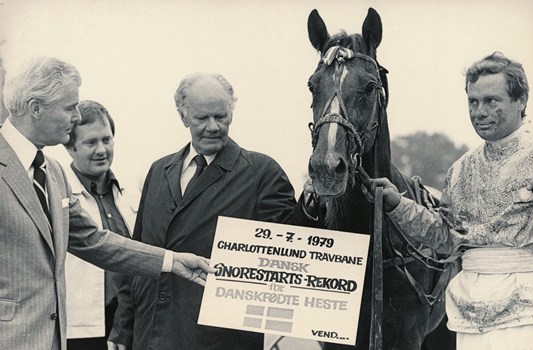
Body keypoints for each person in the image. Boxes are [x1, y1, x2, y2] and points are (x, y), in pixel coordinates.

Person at [0, 56, 215, 350]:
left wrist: (172, 261)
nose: (76, 117)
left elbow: (93, 240)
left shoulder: (53, 173)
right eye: (69, 108)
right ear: (36, 108)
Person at [108, 72, 318, 350]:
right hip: (150, 335)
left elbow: (292, 249)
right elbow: (138, 257)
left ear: (232, 113)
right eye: (201, 118)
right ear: (183, 116)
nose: (213, 127)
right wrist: (123, 330)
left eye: (221, 117)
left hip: (218, 340)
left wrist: (312, 202)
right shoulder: (159, 171)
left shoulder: (260, 173)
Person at [367, 52, 533, 349]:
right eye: (473, 101)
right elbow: (447, 239)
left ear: (521, 100)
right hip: (470, 313)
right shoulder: (461, 169)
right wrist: (397, 204)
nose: (480, 111)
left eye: (492, 100)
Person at [61, 100, 141, 350]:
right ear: (70, 148)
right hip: (80, 328)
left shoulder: (133, 192)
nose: (101, 150)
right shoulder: (58, 193)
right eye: (90, 142)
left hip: (130, 324)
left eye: (106, 140)